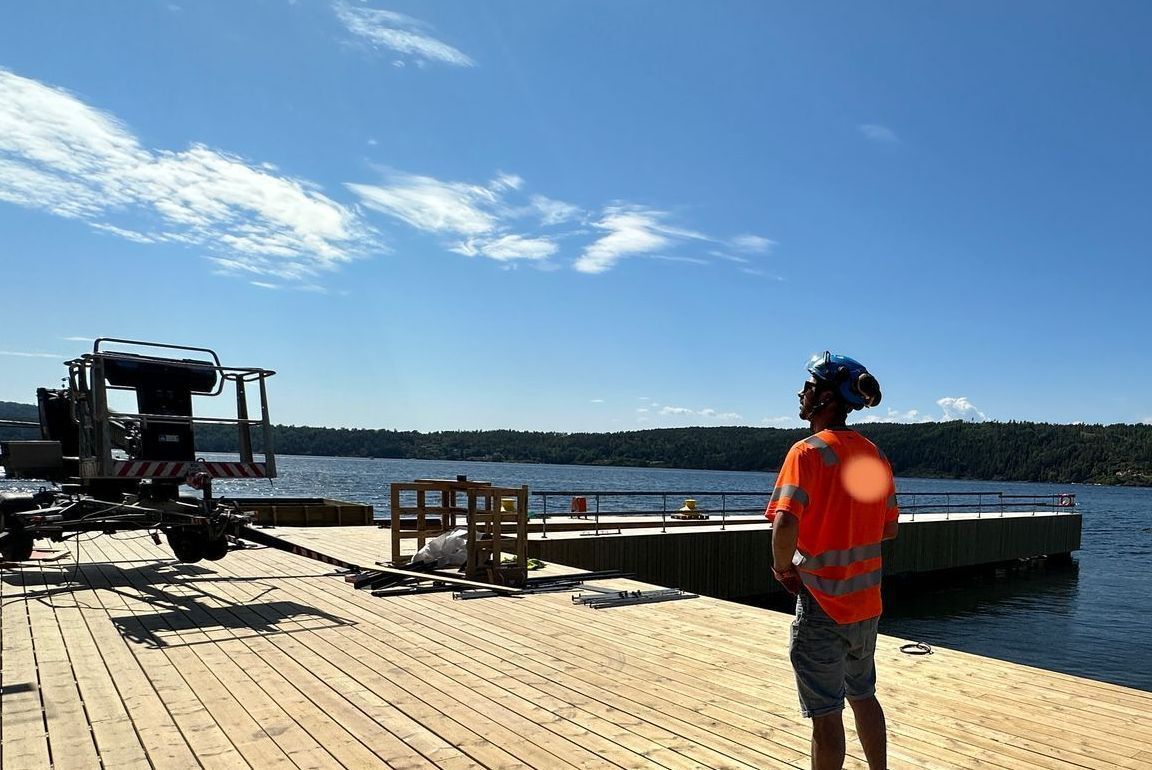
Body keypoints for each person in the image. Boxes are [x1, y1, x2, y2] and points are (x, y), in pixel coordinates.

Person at [766, 352, 898, 770]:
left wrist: (784, 568)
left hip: (823, 602)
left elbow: (785, 523)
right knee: (863, 695)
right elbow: (888, 528)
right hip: (866, 606)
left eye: (808, 387)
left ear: (826, 397)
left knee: (825, 715)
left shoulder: (806, 453)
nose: (801, 394)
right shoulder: (873, 455)